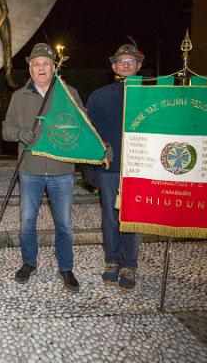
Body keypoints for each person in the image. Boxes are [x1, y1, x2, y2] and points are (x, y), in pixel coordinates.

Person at [2, 43, 81, 292]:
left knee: (64, 223)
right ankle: (29, 262)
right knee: (27, 221)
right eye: (36, 64)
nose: (41, 68)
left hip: (62, 170)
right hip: (30, 169)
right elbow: (5, 129)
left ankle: (66, 267)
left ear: (54, 67)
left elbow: (83, 126)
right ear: (30, 69)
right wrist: (18, 133)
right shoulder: (19, 96)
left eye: (46, 63)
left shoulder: (68, 93)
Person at [86, 43, 144, 291]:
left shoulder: (150, 95)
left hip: (139, 168)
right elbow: (91, 134)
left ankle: (129, 264)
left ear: (138, 66)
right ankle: (112, 261)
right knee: (110, 218)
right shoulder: (99, 96)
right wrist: (90, 168)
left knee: (133, 218)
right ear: (113, 67)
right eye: (121, 61)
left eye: (131, 61)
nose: (126, 65)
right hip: (109, 168)